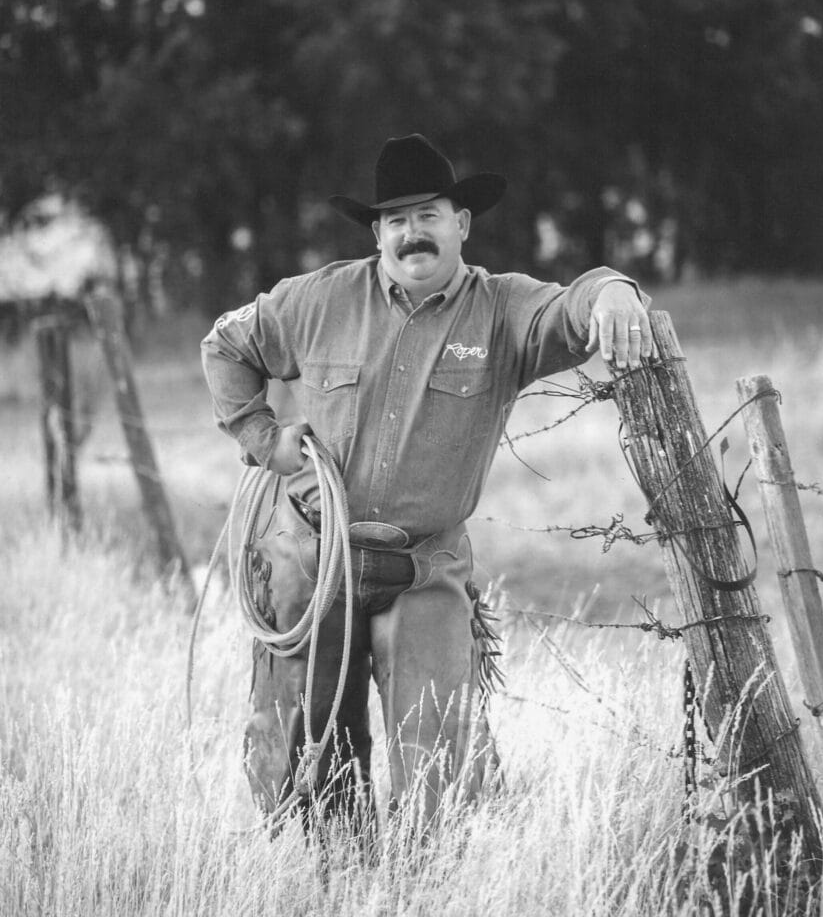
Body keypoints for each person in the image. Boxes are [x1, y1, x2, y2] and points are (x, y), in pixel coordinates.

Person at [201, 133, 652, 831]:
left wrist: (614, 290)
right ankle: (334, 875)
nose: (412, 232)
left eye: (428, 215)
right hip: (313, 560)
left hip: (424, 567)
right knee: (307, 761)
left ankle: (424, 881)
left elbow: (571, 307)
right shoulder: (317, 300)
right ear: (377, 233)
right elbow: (225, 344)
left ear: (461, 223)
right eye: (396, 220)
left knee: (439, 771)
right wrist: (265, 439)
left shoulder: (502, 309)